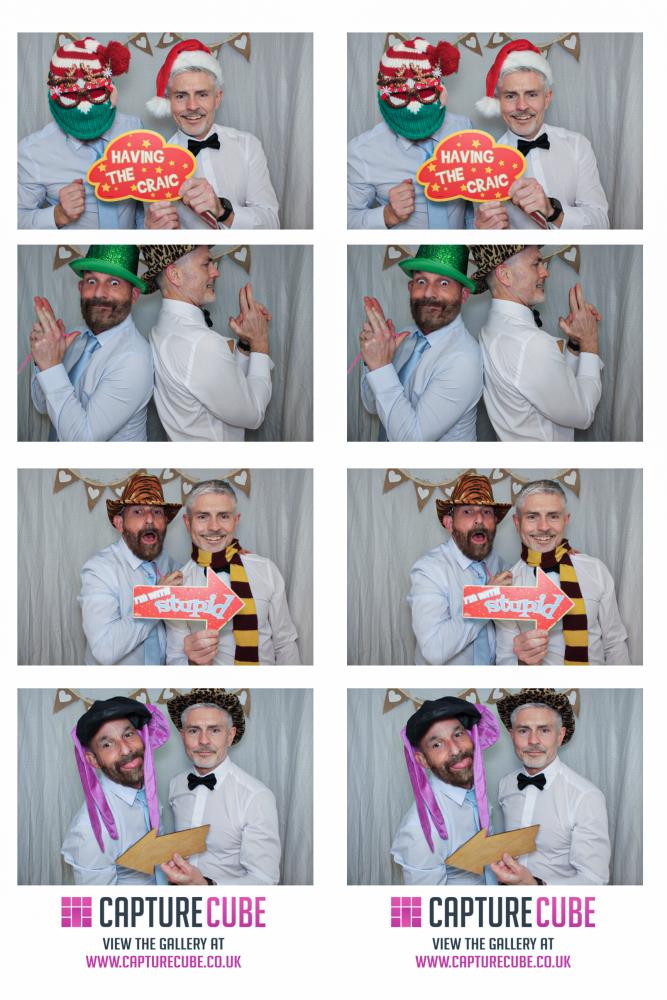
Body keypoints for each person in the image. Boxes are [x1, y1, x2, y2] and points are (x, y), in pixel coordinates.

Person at [470, 244, 602, 441]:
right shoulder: (529, 343)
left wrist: (575, 344)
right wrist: (590, 341)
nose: (545, 272)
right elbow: (583, 414)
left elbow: (553, 388)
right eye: (535, 264)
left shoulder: (491, 330)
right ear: (505, 275)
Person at [142, 245, 273, 441]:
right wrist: (260, 340)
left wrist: (246, 344)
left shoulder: (161, 329)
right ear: (175, 275)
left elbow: (223, 389)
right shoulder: (200, 343)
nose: (215, 272)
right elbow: (254, 414)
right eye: (206, 264)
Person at [143, 39, 279, 229]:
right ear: (169, 101)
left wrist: (223, 211)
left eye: (202, 94)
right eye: (181, 96)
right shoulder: (153, 164)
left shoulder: (248, 145)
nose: (192, 106)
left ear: (217, 98)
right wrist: (152, 235)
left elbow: (272, 225)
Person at [474, 39, 608, 230]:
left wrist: (553, 211)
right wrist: (483, 235)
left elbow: (602, 224)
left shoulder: (578, 145)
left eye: (532, 94)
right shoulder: (484, 164)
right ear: (499, 101)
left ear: (547, 98)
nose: (522, 106)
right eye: (510, 96)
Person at [166, 480, 300, 665]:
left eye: (223, 516)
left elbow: (285, 644)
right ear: (188, 523)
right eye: (203, 517)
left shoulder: (266, 569)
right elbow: (175, 659)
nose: (214, 527)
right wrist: (193, 663)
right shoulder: (176, 587)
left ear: (236, 521)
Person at [496, 480, 629, 665]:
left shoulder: (595, 569)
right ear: (517, 523)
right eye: (532, 517)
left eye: (553, 516)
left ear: (565, 520)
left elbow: (615, 644)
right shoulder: (505, 588)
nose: (543, 527)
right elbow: (505, 659)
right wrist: (522, 662)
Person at [29, 245, 153, 441]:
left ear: (134, 295)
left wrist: (52, 366)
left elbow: (83, 440)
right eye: (92, 281)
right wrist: (44, 360)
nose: (98, 293)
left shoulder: (134, 360)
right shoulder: (77, 336)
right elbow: (43, 405)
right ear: (80, 288)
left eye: (114, 283)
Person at [348, 36, 473, 229]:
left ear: (441, 91)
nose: (414, 108)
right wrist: (388, 214)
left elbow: (472, 199)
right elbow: (345, 221)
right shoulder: (362, 152)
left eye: (425, 90)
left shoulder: (463, 129)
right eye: (399, 94)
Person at [359, 245, 482, 440]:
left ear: (463, 295)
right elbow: (372, 405)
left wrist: (381, 366)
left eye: (443, 283)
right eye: (421, 281)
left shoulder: (464, 360)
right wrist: (374, 360)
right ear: (410, 288)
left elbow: (412, 440)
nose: (428, 293)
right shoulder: (406, 336)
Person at [19, 36, 142, 229]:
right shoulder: (32, 152)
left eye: (95, 90)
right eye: (69, 93)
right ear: (53, 94)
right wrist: (58, 215)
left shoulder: (133, 129)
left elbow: (143, 199)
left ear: (111, 90)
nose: (85, 107)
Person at [161, 689, 281, 885]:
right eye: (193, 730)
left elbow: (265, 879)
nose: (203, 741)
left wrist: (207, 887)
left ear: (230, 735)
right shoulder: (176, 784)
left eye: (214, 730)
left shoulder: (256, 797)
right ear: (182, 736)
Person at [491, 688, 610, 885]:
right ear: (512, 735)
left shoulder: (586, 797)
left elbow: (595, 880)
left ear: (560, 735)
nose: (533, 741)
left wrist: (536, 887)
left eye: (544, 730)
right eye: (523, 730)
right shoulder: (506, 784)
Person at [391, 695, 499, 885]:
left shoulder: (475, 792)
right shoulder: (420, 832)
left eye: (458, 734)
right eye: (437, 744)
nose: (456, 750)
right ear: (422, 760)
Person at [62, 696, 170, 885]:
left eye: (128, 735)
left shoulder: (146, 792)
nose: (126, 750)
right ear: (93, 760)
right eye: (107, 744)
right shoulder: (91, 831)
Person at [408, 473, 512, 664]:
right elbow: (433, 649)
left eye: (486, 512)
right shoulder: (429, 570)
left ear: (495, 522)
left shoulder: (502, 567)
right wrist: (485, 602)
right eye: (467, 511)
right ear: (449, 523)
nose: (479, 519)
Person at [78, 473, 183, 665]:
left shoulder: (173, 567)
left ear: (166, 521)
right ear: (119, 523)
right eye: (138, 512)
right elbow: (104, 649)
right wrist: (155, 602)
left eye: (157, 512)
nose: (150, 519)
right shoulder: (99, 570)